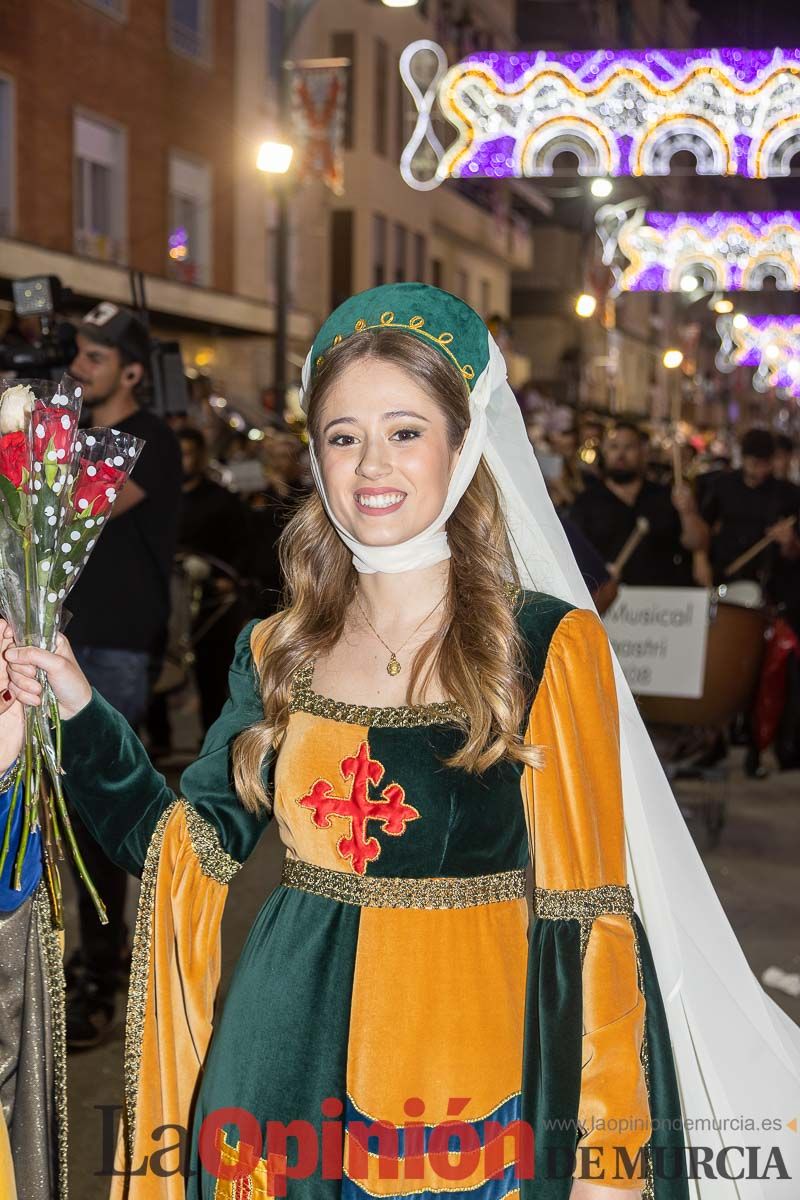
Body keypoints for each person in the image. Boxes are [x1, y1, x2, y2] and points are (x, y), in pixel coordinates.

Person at [4, 284, 800, 1198]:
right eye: (343, 436)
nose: (371, 464)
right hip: (280, 1075)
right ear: (315, 457)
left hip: (475, 1087)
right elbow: (180, 851)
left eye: (405, 431)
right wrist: (75, 706)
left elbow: (593, 913)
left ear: (464, 448)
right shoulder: (276, 648)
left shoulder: (543, 645)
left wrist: (608, 1159)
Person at [62, 301, 183, 1049]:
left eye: (95, 359)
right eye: (77, 354)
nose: (79, 368)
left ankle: (104, 972)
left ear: (132, 372)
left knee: (95, 815)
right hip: (64, 640)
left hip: (113, 647)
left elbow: (75, 504)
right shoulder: (77, 434)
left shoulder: (152, 440)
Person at [570, 420, 709, 586]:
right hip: (608, 600)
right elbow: (574, 554)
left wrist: (688, 513)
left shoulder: (665, 496)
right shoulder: (587, 501)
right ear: (604, 452)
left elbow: (697, 543)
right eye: (614, 447)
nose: (621, 454)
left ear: (643, 452)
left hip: (662, 600)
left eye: (629, 447)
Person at [177, 426, 251, 733]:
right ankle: (159, 739)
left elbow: (241, 539)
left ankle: (211, 736)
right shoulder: (162, 498)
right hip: (173, 593)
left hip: (212, 597)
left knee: (211, 669)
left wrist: (227, 577)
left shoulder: (221, 499)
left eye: (190, 453)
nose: (185, 461)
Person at [700, 428, 800, 588]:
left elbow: (793, 553)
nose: (760, 471)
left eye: (765, 464)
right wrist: (700, 560)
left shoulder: (788, 494)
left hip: (769, 581)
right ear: (743, 458)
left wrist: (789, 542)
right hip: (725, 572)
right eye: (754, 464)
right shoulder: (723, 484)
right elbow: (704, 526)